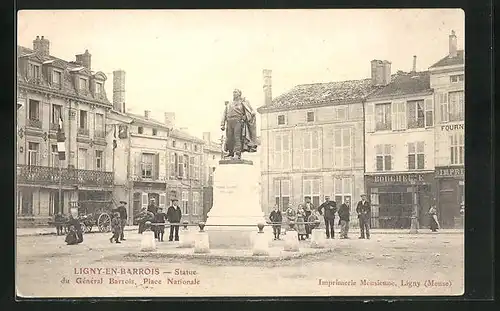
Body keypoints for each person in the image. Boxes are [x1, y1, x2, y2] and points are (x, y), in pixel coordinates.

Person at [220, 89, 257, 160]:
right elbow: (224, 113)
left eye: (236, 92)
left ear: (239, 94)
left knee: (237, 138)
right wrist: (222, 124)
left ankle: (237, 154)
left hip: (238, 122)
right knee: (229, 138)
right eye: (233, 92)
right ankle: (230, 153)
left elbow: (251, 112)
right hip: (229, 121)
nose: (234, 93)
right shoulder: (229, 103)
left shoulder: (243, 102)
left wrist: (246, 117)